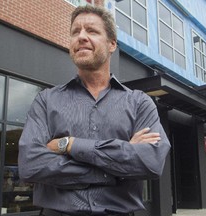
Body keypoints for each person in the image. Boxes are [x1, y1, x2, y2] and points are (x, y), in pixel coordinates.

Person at [18, 5, 170, 216]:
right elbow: (30, 165)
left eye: (91, 31)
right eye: (75, 32)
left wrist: (70, 145)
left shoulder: (139, 103)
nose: (81, 37)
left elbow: (151, 163)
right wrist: (119, 162)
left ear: (112, 44)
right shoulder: (46, 100)